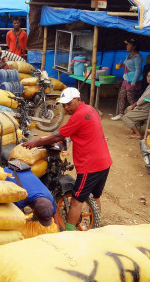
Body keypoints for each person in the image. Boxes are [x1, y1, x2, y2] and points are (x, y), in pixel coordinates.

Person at [23, 87, 111, 231]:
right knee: (95, 196)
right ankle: (95, 228)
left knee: (76, 200)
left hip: (90, 165)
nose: (66, 107)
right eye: (64, 105)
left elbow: (59, 136)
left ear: (78, 99)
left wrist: (36, 142)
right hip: (104, 162)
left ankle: (68, 233)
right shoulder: (90, 109)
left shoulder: (79, 115)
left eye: (69, 103)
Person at [121, 71, 150, 139]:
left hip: (146, 110)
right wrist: (134, 105)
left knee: (125, 117)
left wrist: (134, 105)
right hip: (143, 108)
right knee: (128, 109)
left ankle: (138, 134)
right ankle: (136, 128)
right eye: (148, 76)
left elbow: (142, 100)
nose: (149, 78)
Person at [112, 38, 143, 120]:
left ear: (134, 47)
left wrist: (133, 82)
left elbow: (138, 71)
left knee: (130, 99)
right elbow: (128, 66)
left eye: (129, 44)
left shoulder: (137, 57)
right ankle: (121, 114)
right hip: (126, 79)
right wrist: (122, 65)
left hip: (132, 81)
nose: (127, 46)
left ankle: (138, 114)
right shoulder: (128, 56)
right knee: (121, 96)